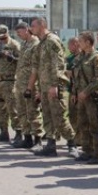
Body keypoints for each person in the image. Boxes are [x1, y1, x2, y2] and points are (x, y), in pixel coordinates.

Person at [27, 17, 76, 156]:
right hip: (44, 87)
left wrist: (55, 85)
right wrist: (36, 87)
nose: (31, 29)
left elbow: (58, 65)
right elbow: (37, 68)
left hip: (54, 86)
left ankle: (72, 143)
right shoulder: (40, 44)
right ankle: (50, 144)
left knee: (59, 116)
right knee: (47, 116)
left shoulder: (52, 41)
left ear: (42, 25)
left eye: (33, 26)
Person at [72, 31, 98, 163]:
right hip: (81, 97)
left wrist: (86, 92)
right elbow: (76, 76)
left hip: (92, 97)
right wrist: (75, 93)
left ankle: (97, 154)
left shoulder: (97, 56)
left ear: (88, 42)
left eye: (81, 41)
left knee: (95, 126)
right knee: (82, 124)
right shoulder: (80, 57)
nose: (78, 44)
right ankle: (86, 150)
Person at [13, 21, 43, 149]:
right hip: (20, 83)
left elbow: (36, 68)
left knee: (32, 111)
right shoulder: (24, 44)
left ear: (26, 30)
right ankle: (27, 138)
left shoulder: (35, 44)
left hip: (30, 83)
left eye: (19, 32)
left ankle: (38, 140)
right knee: (21, 111)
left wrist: (31, 86)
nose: (18, 35)